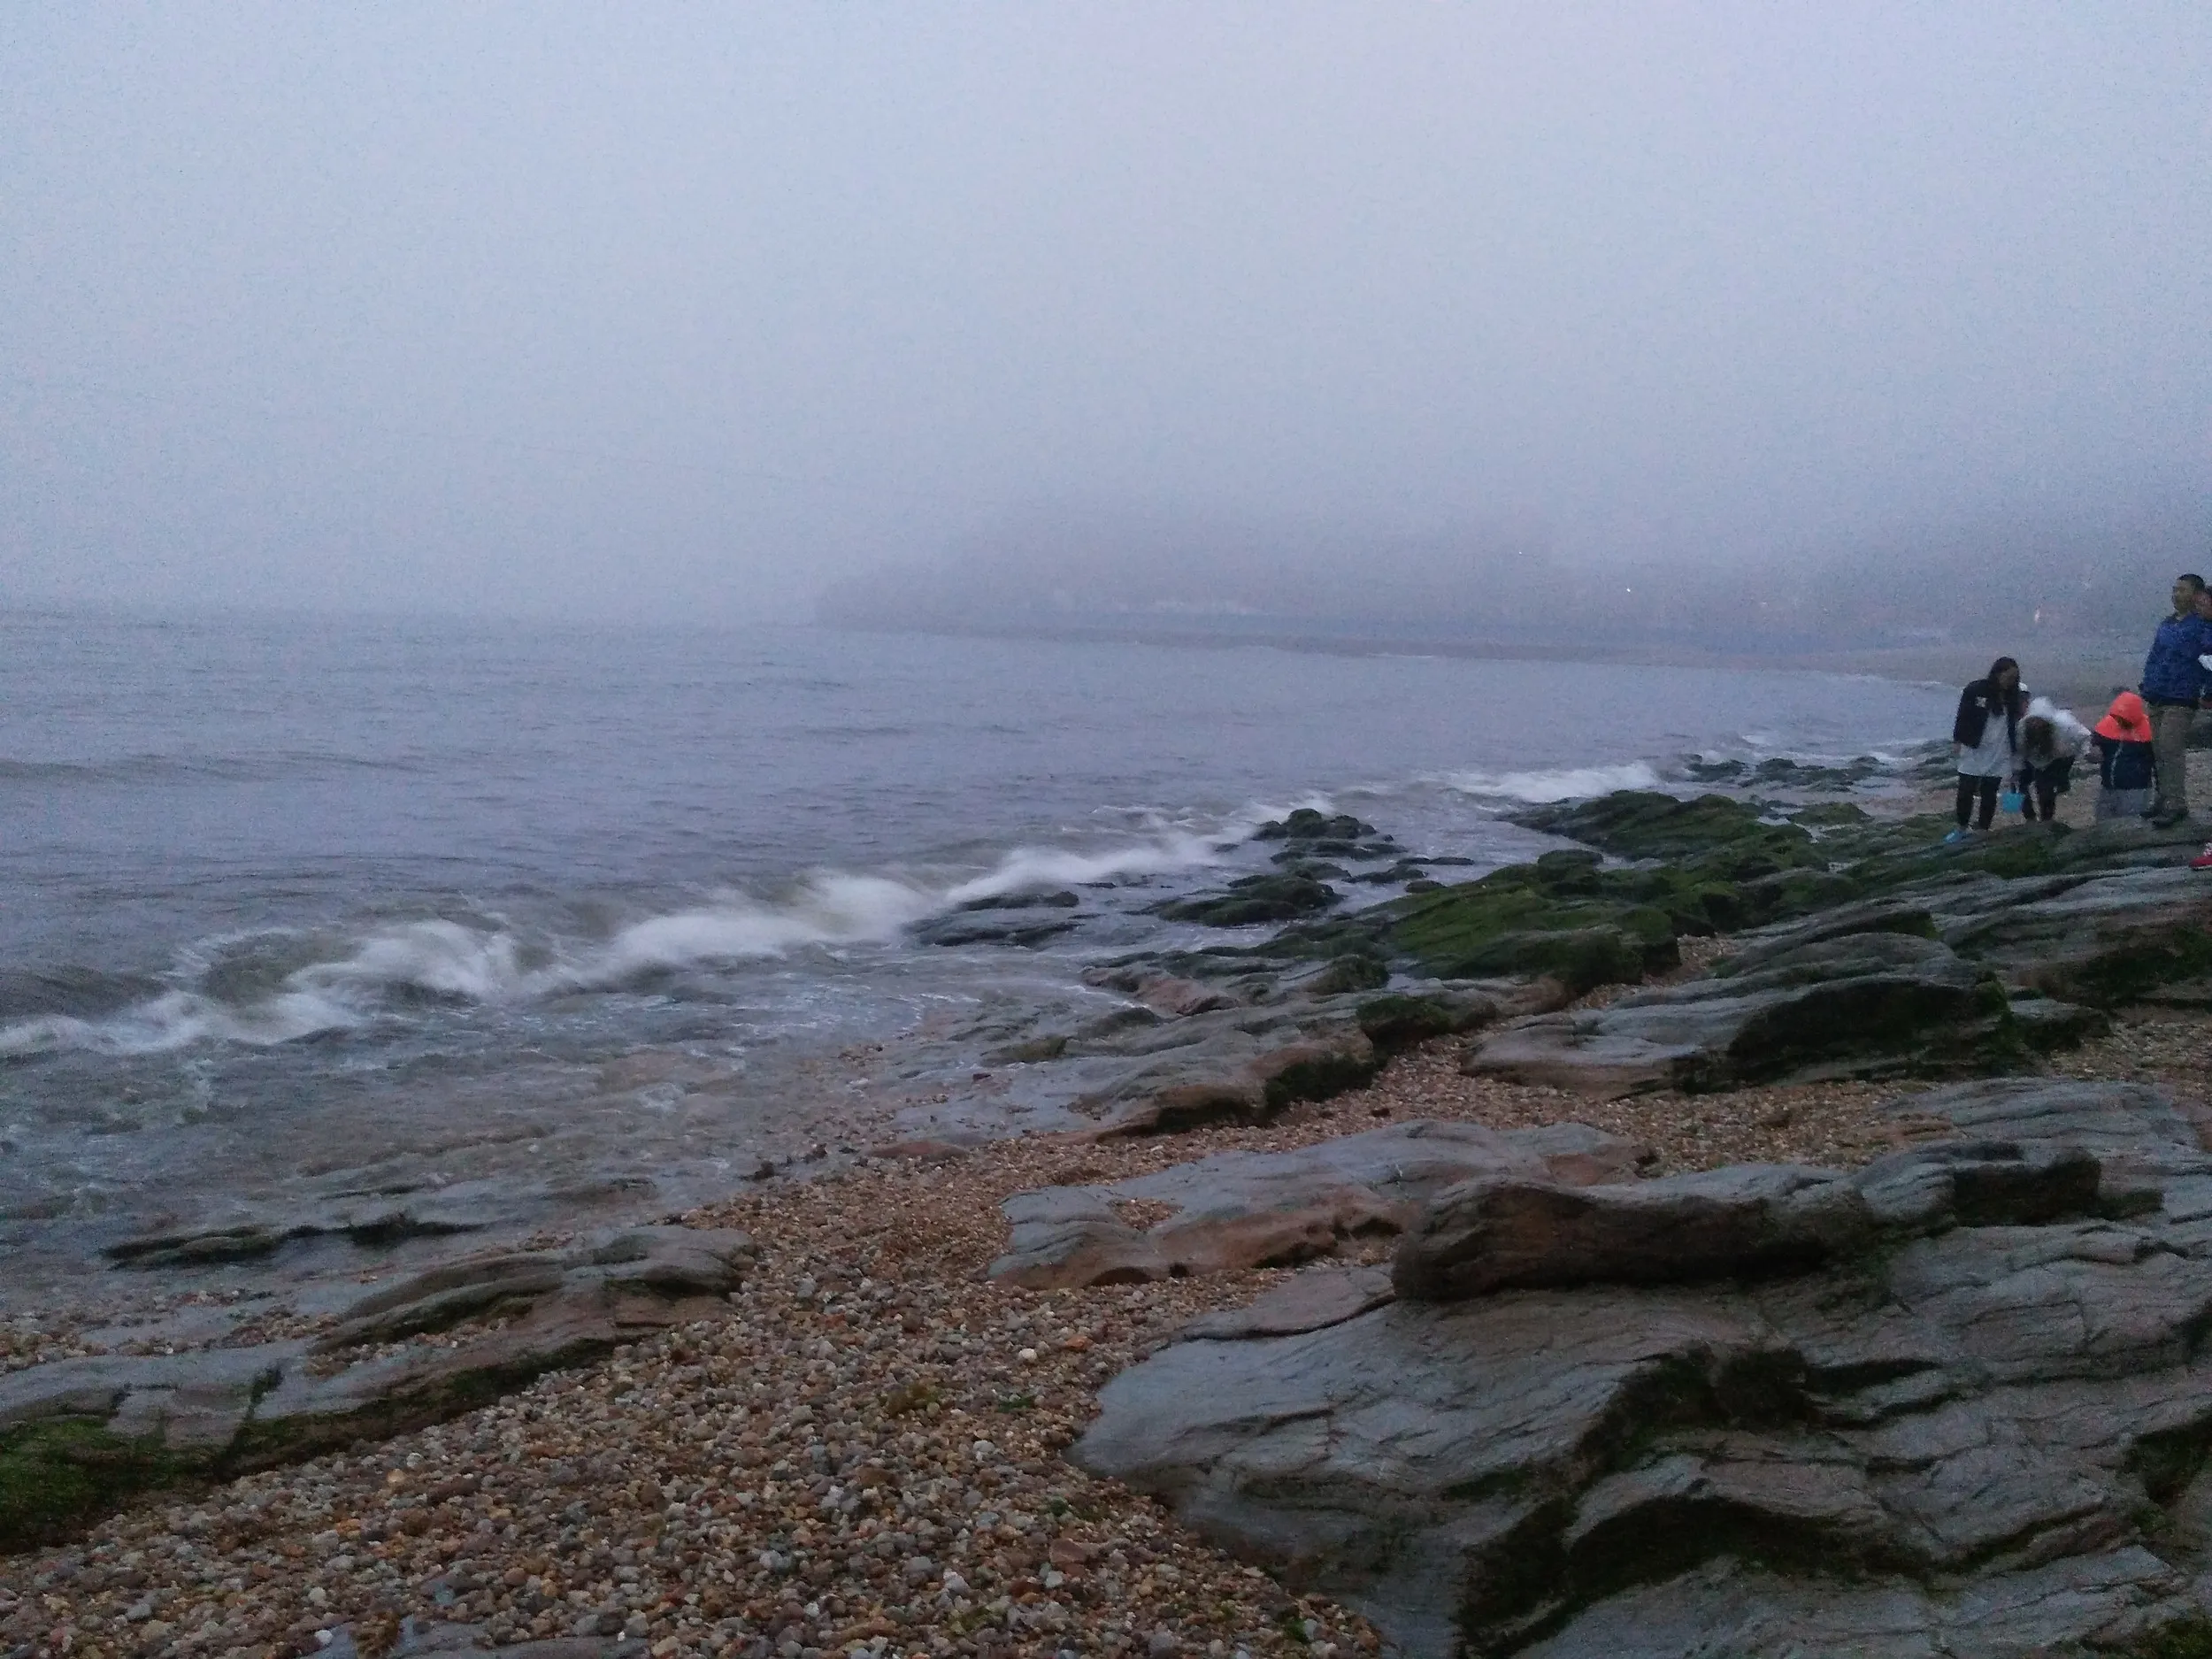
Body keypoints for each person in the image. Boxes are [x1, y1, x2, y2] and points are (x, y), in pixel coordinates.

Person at [2139, 573, 2212, 826]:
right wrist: (2147, 683)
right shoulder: (2167, 623)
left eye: (2182, 590)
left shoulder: (2202, 625)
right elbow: (2155, 656)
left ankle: (2176, 803)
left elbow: (2209, 658)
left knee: (2171, 749)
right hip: (2157, 693)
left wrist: (2207, 691)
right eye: (2174, 589)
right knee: (2158, 749)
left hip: (2182, 696)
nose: (2176, 594)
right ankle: (2163, 798)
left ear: (2196, 594)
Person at [1948, 657, 2026, 840]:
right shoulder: (1976, 690)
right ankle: (1961, 827)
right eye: (2008, 677)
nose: (2010, 682)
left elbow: (2016, 723)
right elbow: (1963, 715)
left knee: (1989, 791)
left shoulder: (2014, 696)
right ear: (1998, 673)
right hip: (1974, 746)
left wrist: (2016, 754)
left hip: (2000, 748)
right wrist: (1958, 740)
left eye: (2014, 678)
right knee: (1966, 789)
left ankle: (1983, 828)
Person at [2013, 695, 2091, 823]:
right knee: (2041, 788)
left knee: (2046, 789)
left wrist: (2086, 752)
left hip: (2062, 757)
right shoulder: (2022, 728)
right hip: (2038, 760)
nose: (2036, 724)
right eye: (2032, 721)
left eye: (2039, 721)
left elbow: (2085, 736)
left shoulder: (2065, 724)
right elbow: (2019, 751)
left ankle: (2047, 820)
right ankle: (2039, 820)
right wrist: (2016, 769)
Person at [2091, 689, 2158, 821]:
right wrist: (2092, 753)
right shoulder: (2106, 725)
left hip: (2136, 790)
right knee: (2103, 825)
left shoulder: (2149, 729)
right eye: (2118, 717)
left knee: (2131, 826)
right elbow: (2094, 746)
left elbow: (2158, 762)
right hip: (2108, 788)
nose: (2120, 721)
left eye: (2123, 718)